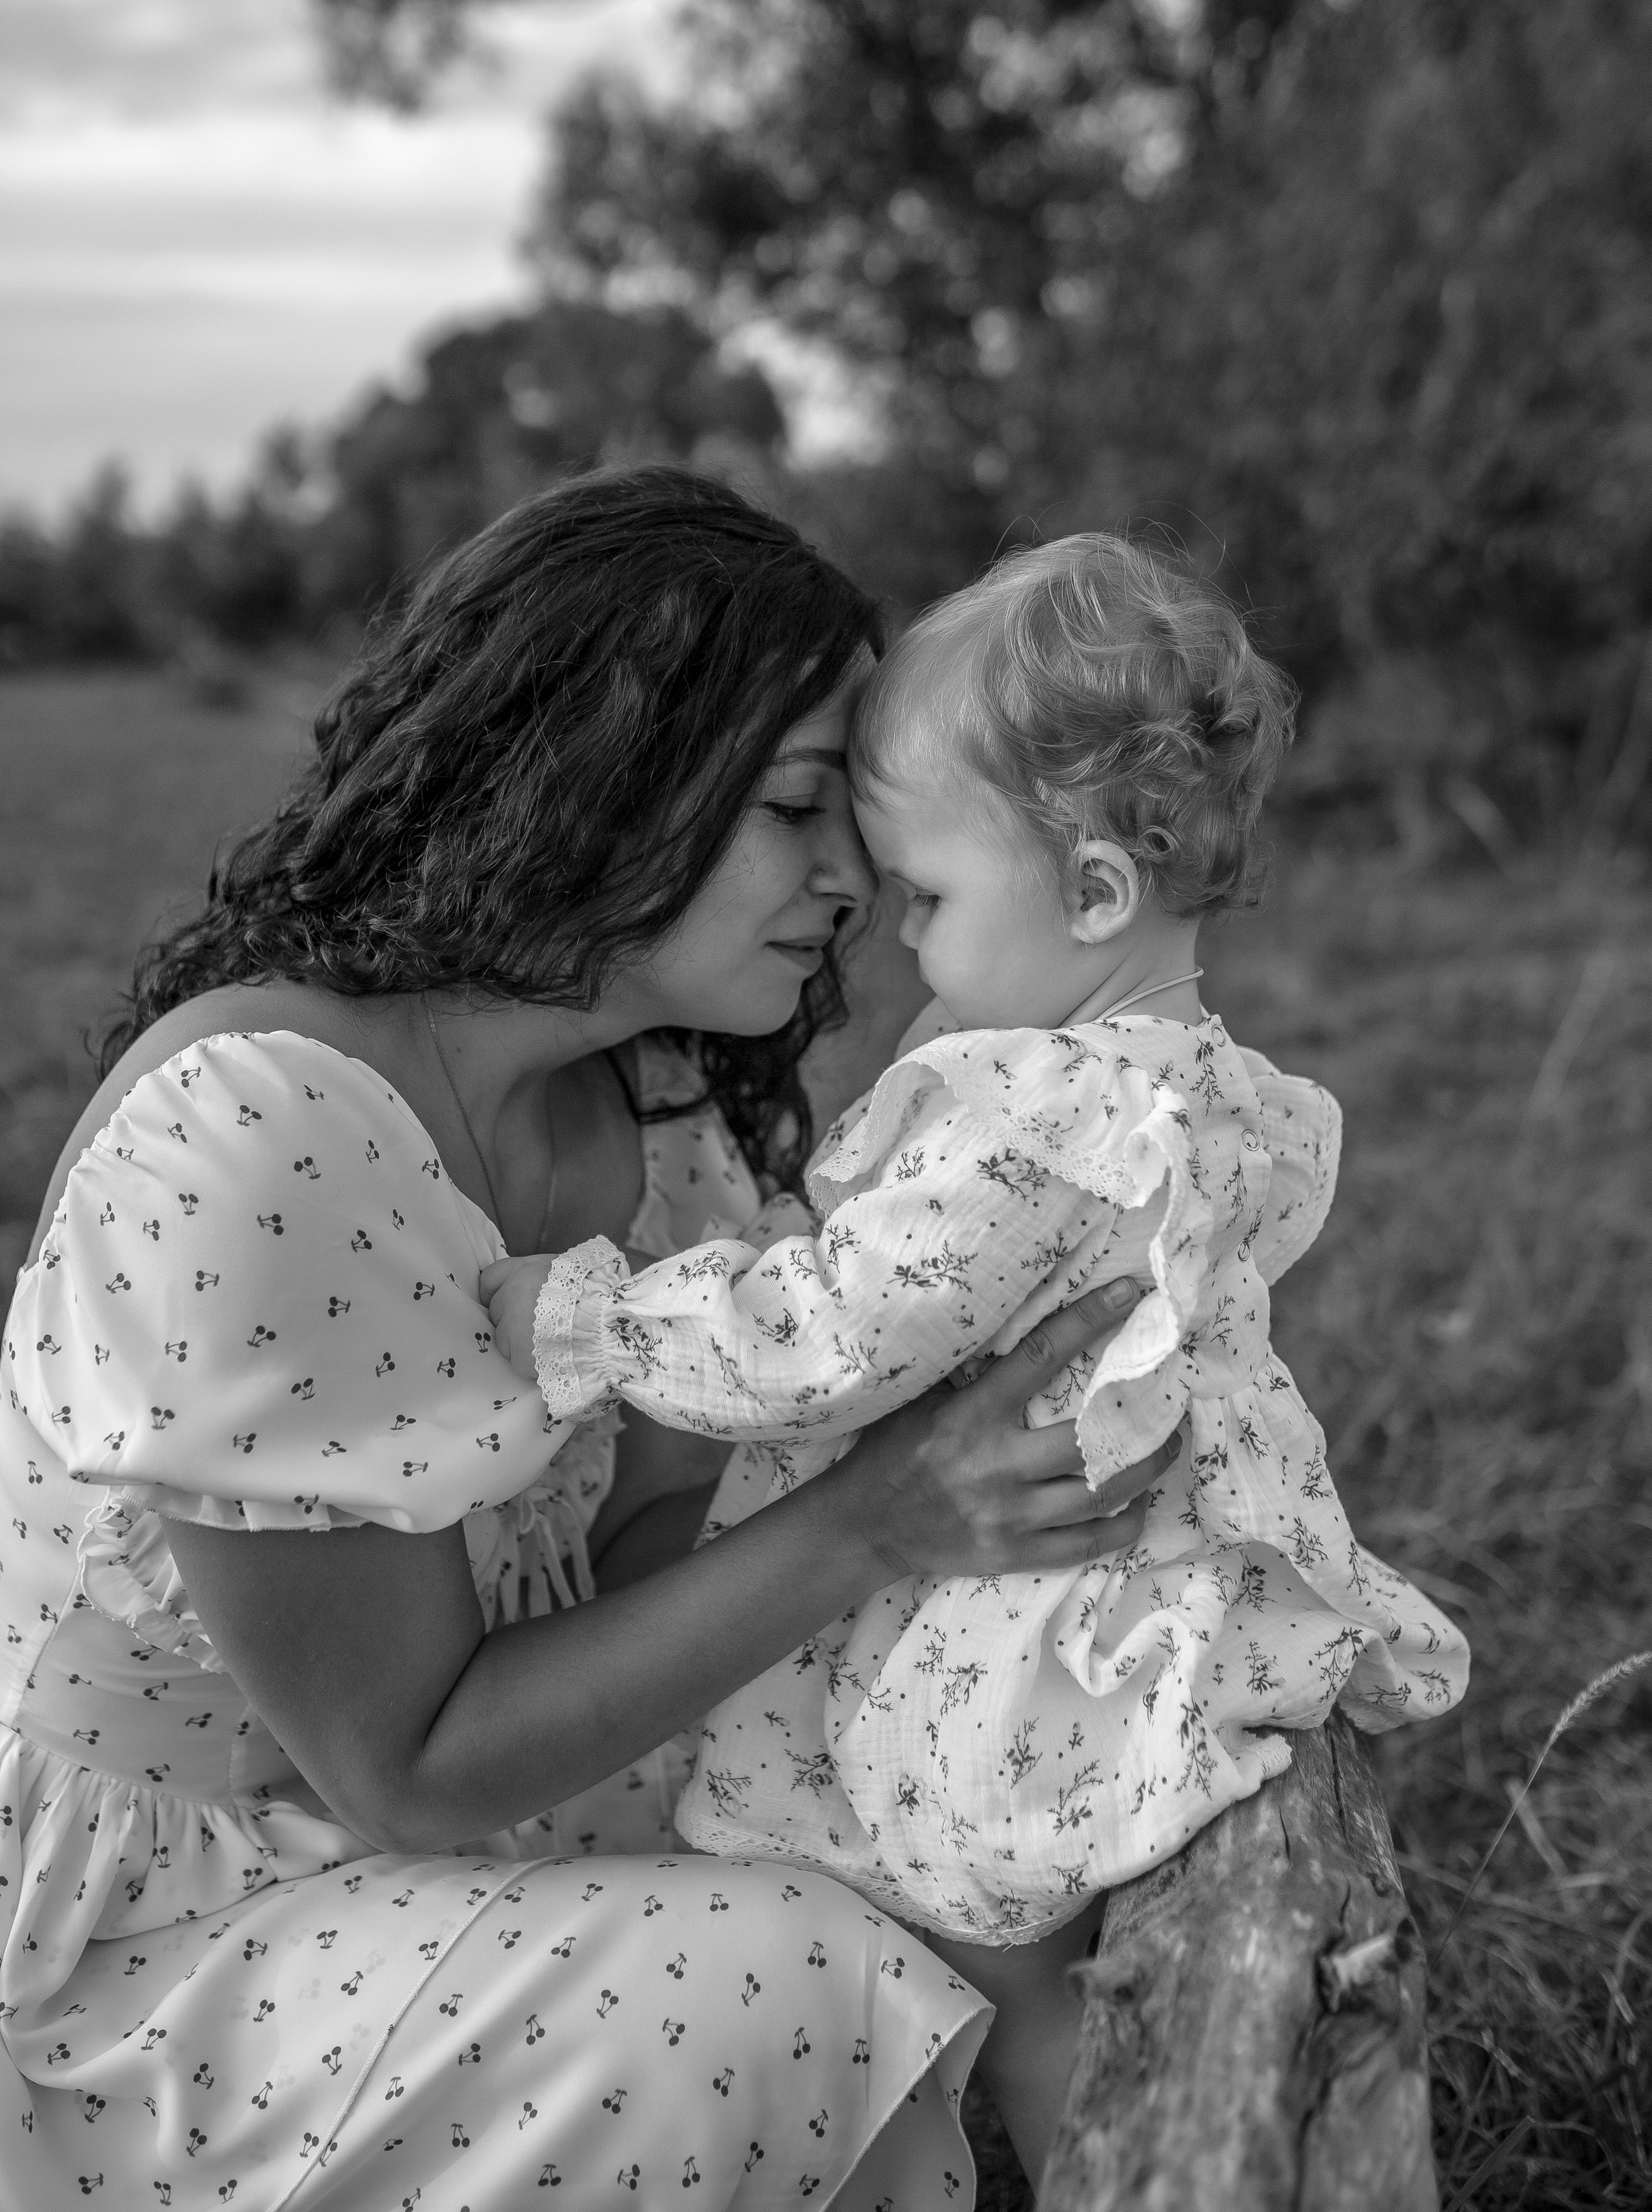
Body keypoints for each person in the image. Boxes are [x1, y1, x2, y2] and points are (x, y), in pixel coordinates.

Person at [0, 472, 1173, 2212]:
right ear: (601, 783)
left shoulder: (661, 1113)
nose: (858, 878)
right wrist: (877, 1519)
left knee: (922, 1810)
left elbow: (649, 1554)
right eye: (795, 806)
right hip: (158, 1940)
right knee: (787, 1971)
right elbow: (407, 1766)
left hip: (456, 1820)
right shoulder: (254, 1140)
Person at [483, 534, 1472, 2183]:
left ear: (1090, 891)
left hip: (1017, 1622)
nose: (897, 943)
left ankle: (1117, 2167)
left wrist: (577, 1323)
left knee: (1002, 1971)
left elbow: (832, 1330)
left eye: (929, 900)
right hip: (1098, 1575)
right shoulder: (1188, 1077)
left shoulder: (1047, 1116)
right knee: (1003, 1956)